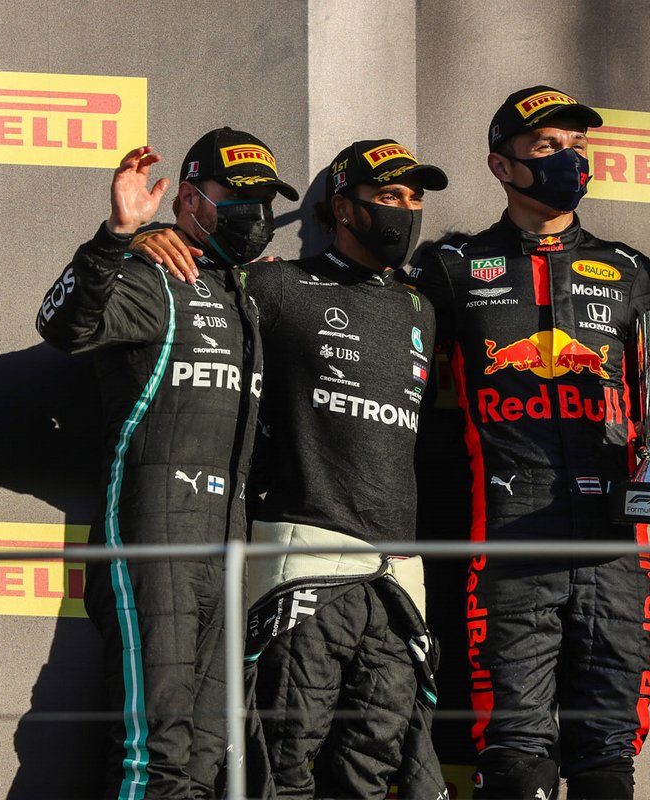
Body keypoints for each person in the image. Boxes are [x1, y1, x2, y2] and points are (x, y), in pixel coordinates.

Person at [132, 139, 451, 799]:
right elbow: (205, 280)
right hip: (302, 570)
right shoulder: (276, 285)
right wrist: (151, 238)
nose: (406, 211)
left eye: (414, 198)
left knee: (371, 771)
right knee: (282, 767)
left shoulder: (422, 307)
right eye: (389, 196)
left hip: (398, 581)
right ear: (342, 206)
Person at [410, 85, 650, 800]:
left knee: (606, 753)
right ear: (501, 166)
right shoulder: (453, 266)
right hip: (506, 530)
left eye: (577, 146)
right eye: (547, 148)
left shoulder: (629, 268)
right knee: (513, 747)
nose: (570, 159)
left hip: (614, 537)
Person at [34, 127, 297, 799]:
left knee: (207, 762)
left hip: (228, 546)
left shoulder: (250, 297)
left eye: (266, 200)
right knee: (160, 757)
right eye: (238, 198)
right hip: (158, 538)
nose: (256, 216)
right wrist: (118, 236)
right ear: (189, 198)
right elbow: (62, 324)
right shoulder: (153, 272)